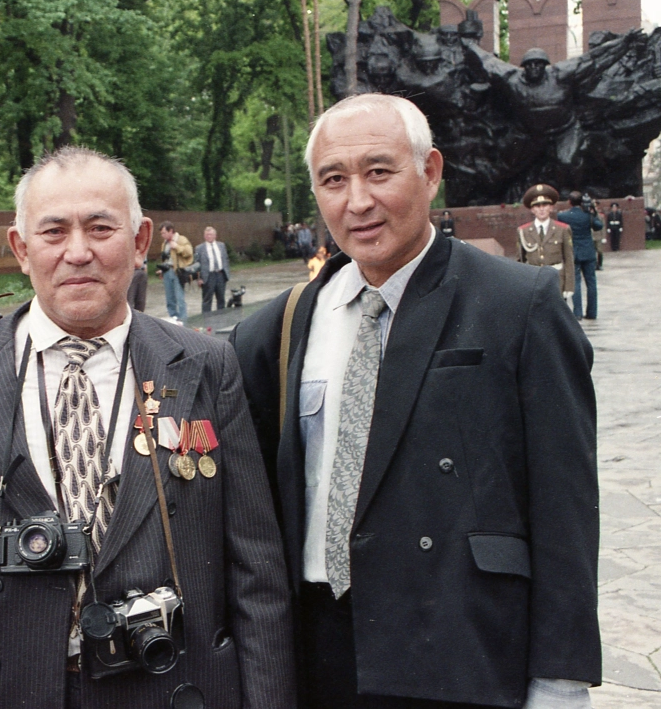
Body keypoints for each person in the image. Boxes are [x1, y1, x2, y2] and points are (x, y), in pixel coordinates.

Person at [0, 146, 295, 709]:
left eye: (101, 228)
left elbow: (256, 567)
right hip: (5, 689)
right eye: (53, 233)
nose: (78, 253)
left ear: (141, 240)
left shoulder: (205, 365)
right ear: (21, 249)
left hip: (169, 684)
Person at [231, 94, 599, 709]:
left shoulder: (519, 305)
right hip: (318, 652)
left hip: (461, 647)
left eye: (379, 172)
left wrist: (559, 680)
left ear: (429, 171)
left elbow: (566, 504)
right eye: (333, 180)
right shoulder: (279, 327)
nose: (358, 201)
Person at [516, 183, 575, 299]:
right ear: (532, 209)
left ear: (551, 208)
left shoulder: (562, 229)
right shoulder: (523, 231)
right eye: (537, 206)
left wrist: (569, 287)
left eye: (545, 205)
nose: (541, 209)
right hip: (533, 282)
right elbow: (520, 262)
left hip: (557, 281)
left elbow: (569, 259)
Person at [558, 190, 603, 320]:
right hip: (588, 252)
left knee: (575, 282)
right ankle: (592, 312)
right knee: (591, 282)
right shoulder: (587, 215)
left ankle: (577, 312)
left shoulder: (563, 216)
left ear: (569, 202)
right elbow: (598, 226)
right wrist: (593, 213)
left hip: (573, 252)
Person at [157, 221, 193, 324]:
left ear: (171, 231)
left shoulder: (181, 239)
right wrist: (162, 270)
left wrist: (177, 247)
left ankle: (183, 320)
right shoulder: (164, 243)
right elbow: (166, 259)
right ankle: (173, 319)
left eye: (164, 233)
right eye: (161, 233)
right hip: (167, 272)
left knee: (179, 297)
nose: (162, 235)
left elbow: (189, 253)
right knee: (170, 298)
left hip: (177, 272)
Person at [195, 226, 230, 313]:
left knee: (221, 298)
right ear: (204, 236)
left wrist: (226, 273)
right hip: (208, 276)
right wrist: (199, 278)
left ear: (215, 235)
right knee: (207, 300)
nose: (209, 236)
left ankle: (222, 318)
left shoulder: (221, 246)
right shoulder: (199, 248)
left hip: (220, 274)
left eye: (210, 234)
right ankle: (207, 321)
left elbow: (225, 259)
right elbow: (196, 264)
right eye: (207, 235)